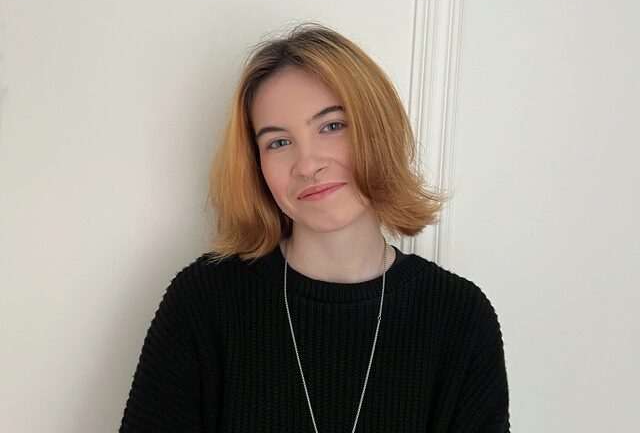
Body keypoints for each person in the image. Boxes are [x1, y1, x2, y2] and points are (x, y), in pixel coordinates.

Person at [119, 23, 510, 432]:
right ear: (256, 165)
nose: (307, 164)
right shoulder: (204, 301)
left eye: (331, 126)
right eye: (278, 142)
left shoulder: (460, 317)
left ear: (378, 131)